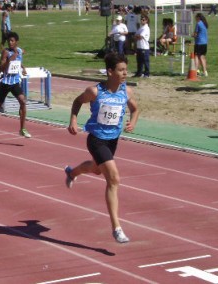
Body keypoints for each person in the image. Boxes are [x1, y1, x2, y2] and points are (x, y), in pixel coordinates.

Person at [65, 52, 139, 243]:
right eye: (121, 70)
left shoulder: (126, 91)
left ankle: (72, 172)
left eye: (126, 70)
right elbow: (77, 102)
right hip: (96, 139)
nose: (125, 73)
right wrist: (73, 119)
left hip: (113, 140)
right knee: (114, 178)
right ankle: (117, 228)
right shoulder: (95, 92)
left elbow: (135, 109)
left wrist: (133, 122)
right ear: (110, 72)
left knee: (98, 170)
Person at [0, 32, 32, 138]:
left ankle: (22, 129)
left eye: (12, 41)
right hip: (5, 83)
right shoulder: (5, 52)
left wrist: (23, 68)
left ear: (16, 42)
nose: (10, 43)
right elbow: (0, 68)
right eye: (9, 41)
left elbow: (19, 61)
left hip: (15, 82)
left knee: (23, 102)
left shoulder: (20, 51)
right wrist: (9, 61)